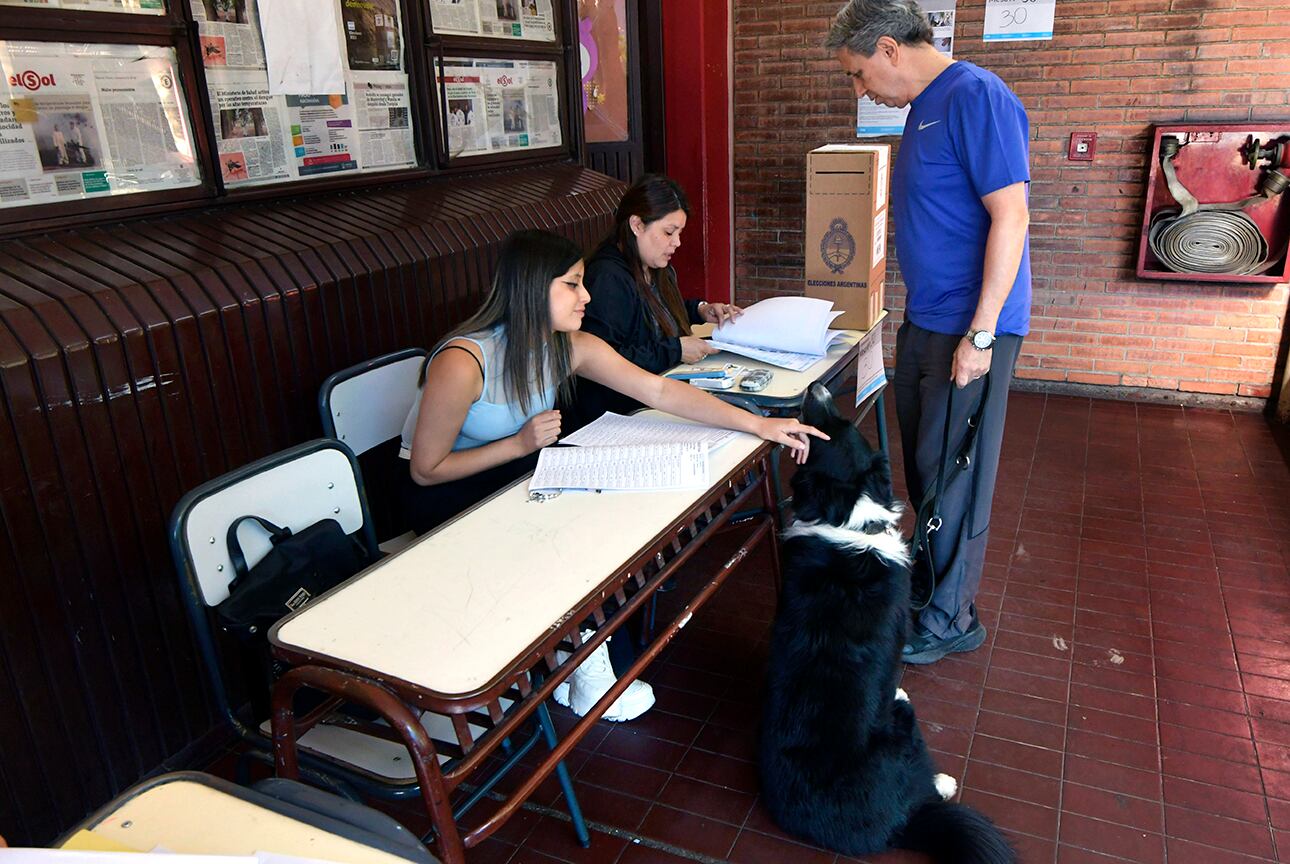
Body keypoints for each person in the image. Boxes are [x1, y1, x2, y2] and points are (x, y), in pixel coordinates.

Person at [400, 229, 825, 718]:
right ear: (531, 290)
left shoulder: (567, 345)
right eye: (571, 284)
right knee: (569, 529)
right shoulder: (463, 360)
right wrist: (518, 444)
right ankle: (592, 670)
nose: (586, 296)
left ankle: (582, 656)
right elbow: (426, 471)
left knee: (608, 515)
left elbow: (659, 392)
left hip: (513, 469)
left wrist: (758, 423)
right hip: (447, 492)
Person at [825, 0, 1030, 664]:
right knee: (926, 466)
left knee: (956, 474)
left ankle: (950, 617)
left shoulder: (976, 95)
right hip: (929, 317)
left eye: (858, 74)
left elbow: (1013, 216)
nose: (861, 90)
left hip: (967, 327)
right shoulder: (924, 108)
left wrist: (981, 334)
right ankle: (931, 585)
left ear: (887, 49)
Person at [570, 174, 742, 428]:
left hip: (659, 392)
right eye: (669, 232)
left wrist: (699, 310)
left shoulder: (655, 266)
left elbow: (654, 313)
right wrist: (676, 350)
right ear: (637, 225)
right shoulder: (607, 278)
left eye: (679, 232)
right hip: (622, 415)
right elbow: (607, 361)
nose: (677, 242)